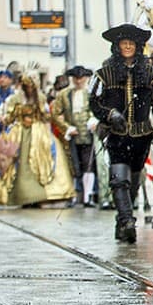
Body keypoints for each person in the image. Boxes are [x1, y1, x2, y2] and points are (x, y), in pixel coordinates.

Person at [90, 24, 153, 243]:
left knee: (133, 180)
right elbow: (94, 102)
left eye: (131, 44)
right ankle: (127, 220)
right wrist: (109, 114)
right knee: (119, 179)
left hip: (142, 136)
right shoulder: (104, 73)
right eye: (123, 44)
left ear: (138, 47)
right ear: (117, 47)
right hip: (116, 135)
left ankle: (122, 219)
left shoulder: (151, 74)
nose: (127, 47)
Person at [0, 73, 76, 207]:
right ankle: (21, 195)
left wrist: (43, 112)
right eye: (27, 86)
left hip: (38, 131)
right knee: (13, 157)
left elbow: (46, 116)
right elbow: (10, 116)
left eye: (31, 86)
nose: (29, 89)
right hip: (20, 131)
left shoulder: (41, 98)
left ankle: (43, 195)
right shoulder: (15, 98)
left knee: (50, 152)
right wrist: (5, 119)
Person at [50, 66, 98, 208]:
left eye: (81, 78)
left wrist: (93, 121)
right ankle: (72, 194)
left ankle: (87, 196)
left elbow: (96, 110)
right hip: (70, 136)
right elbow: (55, 114)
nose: (78, 81)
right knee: (72, 165)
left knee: (88, 165)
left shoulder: (91, 93)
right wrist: (66, 128)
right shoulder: (64, 94)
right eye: (76, 78)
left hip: (88, 135)